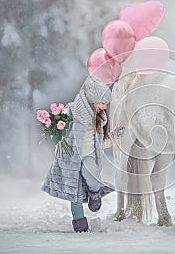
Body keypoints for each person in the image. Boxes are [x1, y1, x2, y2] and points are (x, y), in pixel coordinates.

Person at [41, 76, 114, 233]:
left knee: (92, 174)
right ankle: (79, 223)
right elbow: (58, 128)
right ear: (91, 100)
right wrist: (52, 125)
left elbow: (102, 143)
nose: (104, 107)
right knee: (75, 193)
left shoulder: (100, 119)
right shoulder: (71, 111)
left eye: (106, 104)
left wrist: (115, 136)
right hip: (70, 159)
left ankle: (95, 193)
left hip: (88, 156)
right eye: (102, 103)